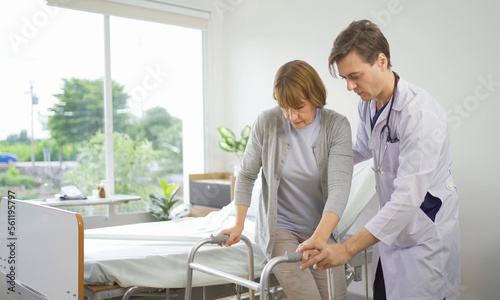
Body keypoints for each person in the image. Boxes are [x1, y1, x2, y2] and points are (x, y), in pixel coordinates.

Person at [297, 20, 461, 300]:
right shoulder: (368, 102)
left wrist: (347, 249)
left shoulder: (419, 115)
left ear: (381, 61)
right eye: (345, 78)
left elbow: (407, 198)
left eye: (355, 76)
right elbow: (362, 147)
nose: (350, 86)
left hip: (423, 238)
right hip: (392, 236)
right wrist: (315, 164)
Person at [218, 60, 353, 300]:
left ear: (315, 97)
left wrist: (319, 239)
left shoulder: (337, 125)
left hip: (321, 229)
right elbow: (247, 174)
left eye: (299, 106)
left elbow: (340, 188)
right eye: (284, 107)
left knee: (336, 296)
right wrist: (238, 224)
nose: (292, 116)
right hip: (281, 229)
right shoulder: (266, 122)